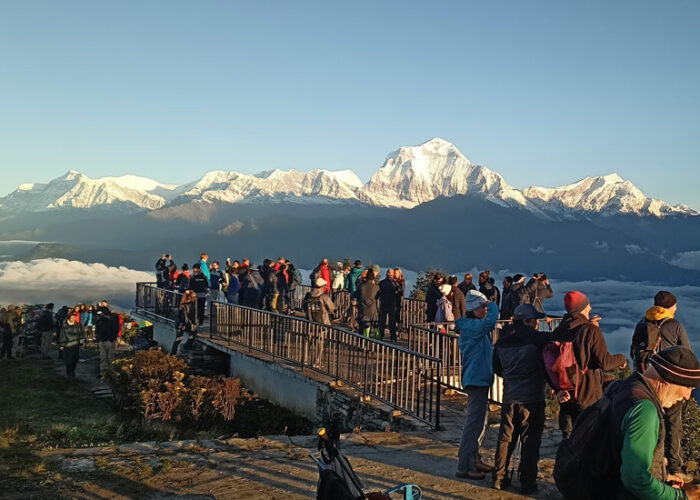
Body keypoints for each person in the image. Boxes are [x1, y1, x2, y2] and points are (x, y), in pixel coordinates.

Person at [555, 347, 700, 500]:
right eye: (688, 387)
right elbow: (636, 479)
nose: (686, 396)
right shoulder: (644, 410)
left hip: (589, 483)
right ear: (667, 379)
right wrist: (680, 496)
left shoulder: (620, 387)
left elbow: (614, 447)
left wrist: (662, 475)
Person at [632, 290, 693, 480]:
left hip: (646, 382)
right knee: (674, 423)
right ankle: (674, 467)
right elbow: (687, 354)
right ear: (671, 307)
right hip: (670, 385)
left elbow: (633, 351)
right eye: (675, 305)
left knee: (651, 421)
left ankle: (651, 460)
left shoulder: (643, 323)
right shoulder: (675, 326)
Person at [552, 290, 627, 438]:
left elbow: (550, 362)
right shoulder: (590, 331)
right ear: (582, 309)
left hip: (566, 393)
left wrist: (556, 388)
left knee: (569, 439)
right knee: (590, 439)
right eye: (588, 306)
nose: (590, 308)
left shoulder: (558, 330)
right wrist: (622, 359)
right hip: (587, 395)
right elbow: (604, 362)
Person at [492, 304, 548, 493]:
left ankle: (498, 478)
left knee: (505, 438)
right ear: (526, 321)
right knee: (530, 441)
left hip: (509, 397)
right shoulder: (535, 338)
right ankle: (527, 483)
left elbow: (497, 368)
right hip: (532, 398)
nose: (537, 323)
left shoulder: (501, 340)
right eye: (535, 320)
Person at [455, 290, 499, 480]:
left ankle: (475, 458)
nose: (485, 309)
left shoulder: (472, 326)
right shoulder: (473, 326)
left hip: (480, 378)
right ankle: (464, 466)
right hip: (476, 379)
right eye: (482, 306)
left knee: (481, 422)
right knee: (474, 424)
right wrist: (493, 304)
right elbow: (490, 322)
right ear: (474, 309)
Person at [94, 301, 118, 379]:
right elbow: (97, 329)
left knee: (110, 358)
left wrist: (112, 339)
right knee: (103, 358)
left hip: (109, 340)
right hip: (102, 340)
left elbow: (115, 329)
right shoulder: (100, 320)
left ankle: (110, 373)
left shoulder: (113, 318)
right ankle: (103, 374)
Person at [59, 309, 85, 378]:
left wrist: (81, 343)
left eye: (74, 318)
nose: (73, 319)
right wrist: (61, 345)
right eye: (72, 318)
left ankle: (72, 370)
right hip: (67, 345)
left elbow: (81, 334)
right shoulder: (65, 326)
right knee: (68, 359)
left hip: (76, 344)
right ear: (69, 318)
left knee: (75, 359)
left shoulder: (78, 325)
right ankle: (69, 371)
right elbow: (62, 335)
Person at [172, 290, 198, 354]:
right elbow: (184, 316)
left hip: (187, 322)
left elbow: (194, 314)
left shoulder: (193, 303)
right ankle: (172, 354)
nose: (195, 298)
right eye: (194, 297)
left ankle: (186, 347)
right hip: (181, 323)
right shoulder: (183, 305)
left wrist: (194, 323)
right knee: (178, 338)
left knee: (193, 334)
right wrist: (185, 325)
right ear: (189, 297)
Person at [378, 269, 400, 341]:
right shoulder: (395, 283)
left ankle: (381, 336)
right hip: (392, 304)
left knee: (382, 321)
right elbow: (400, 293)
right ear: (392, 274)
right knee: (392, 322)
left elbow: (378, 293)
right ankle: (393, 337)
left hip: (383, 304)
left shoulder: (381, 283)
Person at [357, 268, 380, 337]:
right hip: (373, 309)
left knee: (365, 326)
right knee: (376, 326)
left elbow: (356, 295)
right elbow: (378, 296)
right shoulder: (376, 287)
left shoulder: (361, 286)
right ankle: (378, 341)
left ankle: (364, 341)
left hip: (364, 309)